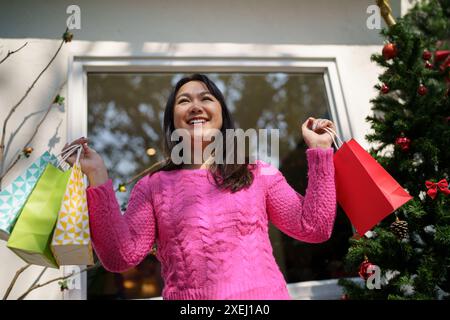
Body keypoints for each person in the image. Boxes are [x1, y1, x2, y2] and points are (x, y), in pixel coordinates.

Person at [63, 73, 337, 300]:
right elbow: (120, 257)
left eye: (206, 98)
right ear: (173, 121)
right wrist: (97, 175)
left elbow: (314, 227)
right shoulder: (153, 187)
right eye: (184, 101)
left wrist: (321, 151)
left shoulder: (258, 174)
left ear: (221, 115)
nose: (195, 106)